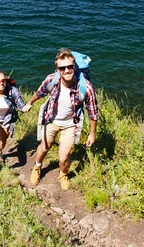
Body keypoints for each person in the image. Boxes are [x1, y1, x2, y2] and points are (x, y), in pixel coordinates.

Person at [23, 48, 98, 190]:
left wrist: (92, 133)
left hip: (71, 124)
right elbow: (40, 92)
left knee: (63, 157)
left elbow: (93, 111)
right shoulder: (52, 79)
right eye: (62, 68)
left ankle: (63, 174)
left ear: (74, 67)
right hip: (51, 119)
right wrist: (30, 103)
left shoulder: (85, 86)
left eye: (70, 67)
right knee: (44, 147)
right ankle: (37, 167)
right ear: (57, 70)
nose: (67, 71)